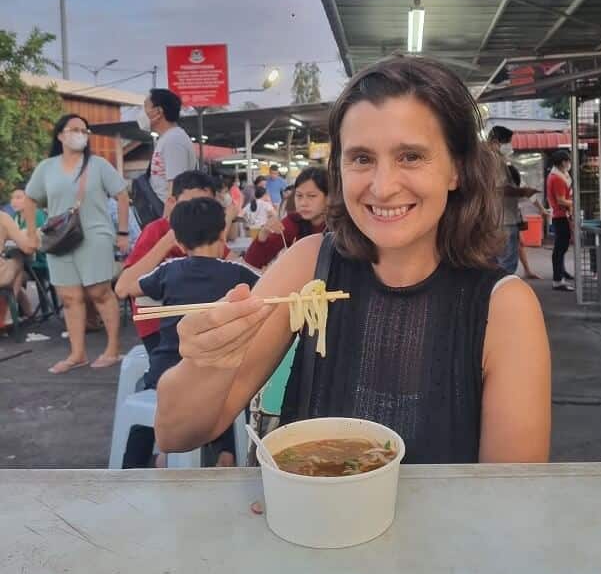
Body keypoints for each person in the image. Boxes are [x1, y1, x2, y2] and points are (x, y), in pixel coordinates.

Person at [156, 56, 551, 464]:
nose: (382, 187)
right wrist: (207, 363)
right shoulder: (308, 266)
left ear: (456, 170)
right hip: (308, 521)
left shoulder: (504, 307)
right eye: (361, 158)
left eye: (411, 156)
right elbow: (177, 434)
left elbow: (510, 494)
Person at [120, 197, 259, 468]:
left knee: (152, 397)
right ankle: (228, 453)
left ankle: (139, 464)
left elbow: (131, 289)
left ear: (180, 244)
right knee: (234, 394)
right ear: (223, 234)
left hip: (165, 371)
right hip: (218, 371)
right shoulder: (236, 272)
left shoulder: (168, 271)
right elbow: (268, 284)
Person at [24, 114, 129, 373]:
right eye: (74, 129)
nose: (80, 134)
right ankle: (77, 354)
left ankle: (113, 349)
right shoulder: (47, 167)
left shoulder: (99, 164)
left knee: (99, 292)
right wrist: (29, 233)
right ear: (60, 135)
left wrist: (123, 232)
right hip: (59, 238)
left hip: (96, 235)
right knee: (69, 298)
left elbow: (122, 195)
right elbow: (29, 199)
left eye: (84, 130)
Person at [115, 170, 218, 358]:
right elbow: (122, 288)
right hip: (159, 328)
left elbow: (235, 265)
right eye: (190, 204)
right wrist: (168, 240)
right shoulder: (156, 231)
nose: (196, 213)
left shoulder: (206, 232)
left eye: (205, 206)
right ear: (172, 203)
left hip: (199, 322)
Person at [243, 166, 328, 269]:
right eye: (299, 196)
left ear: (329, 197)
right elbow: (252, 263)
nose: (303, 203)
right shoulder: (293, 223)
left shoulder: (342, 226)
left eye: (311, 196)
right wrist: (264, 233)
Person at [489, 126, 539, 276]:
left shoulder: (493, 159)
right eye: (508, 142)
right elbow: (500, 189)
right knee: (505, 263)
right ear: (496, 141)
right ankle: (502, 294)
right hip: (503, 219)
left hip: (501, 217)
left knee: (499, 261)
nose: (510, 146)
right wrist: (523, 192)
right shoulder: (494, 160)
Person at [137, 89, 196, 204]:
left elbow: (175, 188)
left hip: (169, 216)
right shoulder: (166, 139)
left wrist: (166, 219)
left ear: (158, 112)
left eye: (145, 107)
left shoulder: (174, 140)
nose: (141, 113)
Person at [546, 149, 575, 291]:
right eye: (569, 160)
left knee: (561, 248)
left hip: (561, 215)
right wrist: (576, 203)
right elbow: (561, 200)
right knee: (560, 248)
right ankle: (558, 280)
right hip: (560, 215)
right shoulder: (557, 178)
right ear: (563, 162)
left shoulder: (559, 174)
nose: (570, 163)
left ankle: (561, 273)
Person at [0, 211, 35, 319]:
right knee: (18, 261)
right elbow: (27, 248)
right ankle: (9, 315)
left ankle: (26, 312)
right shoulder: (3, 217)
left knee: (11, 269)